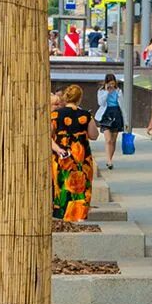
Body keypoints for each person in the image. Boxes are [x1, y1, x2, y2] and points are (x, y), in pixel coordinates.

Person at [51, 84, 98, 221]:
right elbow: (94, 135)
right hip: (82, 158)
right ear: (79, 99)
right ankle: (80, 215)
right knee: (82, 186)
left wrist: (59, 150)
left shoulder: (55, 115)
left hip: (62, 157)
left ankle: (63, 215)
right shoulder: (85, 115)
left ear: (65, 96)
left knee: (63, 185)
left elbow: (48, 136)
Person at [95, 74, 125, 171]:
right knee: (108, 139)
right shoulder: (101, 91)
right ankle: (108, 160)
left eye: (113, 83)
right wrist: (107, 92)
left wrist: (126, 120)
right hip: (106, 113)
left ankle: (110, 159)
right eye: (110, 83)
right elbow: (100, 103)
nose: (112, 85)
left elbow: (122, 105)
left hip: (116, 113)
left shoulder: (119, 91)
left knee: (113, 139)